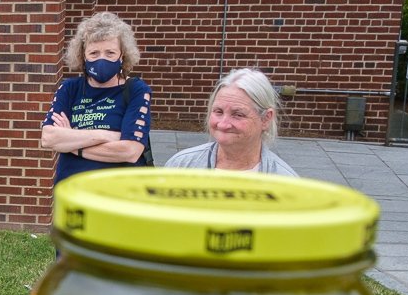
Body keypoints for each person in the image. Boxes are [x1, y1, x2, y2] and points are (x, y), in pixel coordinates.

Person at [40, 11, 151, 184]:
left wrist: (72, 141)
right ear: (83, 56)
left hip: (116, 192)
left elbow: (130, 151)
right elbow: (49, 138)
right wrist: (106, 135)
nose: (102, 60)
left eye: (110, 53)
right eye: (94, 53)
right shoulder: (70, 88)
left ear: (122, 55)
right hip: (72, 189)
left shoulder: (136, 90)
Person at [164, 68, 298, 176]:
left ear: (266, 119)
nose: (223, 124)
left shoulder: (284, 182)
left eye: (238, 114)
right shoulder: (181, 167)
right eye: (218, 111)